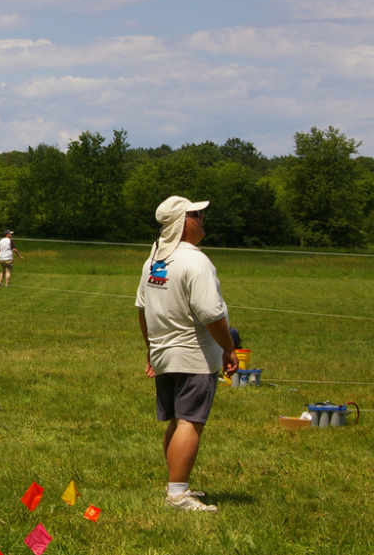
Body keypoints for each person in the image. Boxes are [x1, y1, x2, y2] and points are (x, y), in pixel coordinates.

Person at [135, 196, 238, 513]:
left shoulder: (154, 261)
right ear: (183, 222)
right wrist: (228, 348)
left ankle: (177, 485)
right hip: (193, 355)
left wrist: (151, 350)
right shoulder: (196, 261)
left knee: (178, 422)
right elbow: (210, 313)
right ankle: (177, 495)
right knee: (190, 422)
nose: (202, 217)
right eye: (195, 214)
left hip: (165, 354)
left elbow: (142, 309)